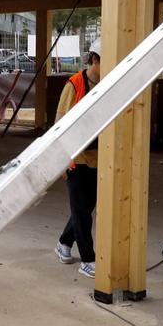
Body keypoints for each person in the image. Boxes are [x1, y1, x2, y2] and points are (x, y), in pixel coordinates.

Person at [53, 39, 102, 279]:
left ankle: (64, 242)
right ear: (94, 59)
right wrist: (61, 158)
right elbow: (60, 122)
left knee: (85, 208)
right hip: (77, 158)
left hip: (99, 157)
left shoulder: (108, 83)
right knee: (82, 211)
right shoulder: (75, 84)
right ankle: (88, 259)